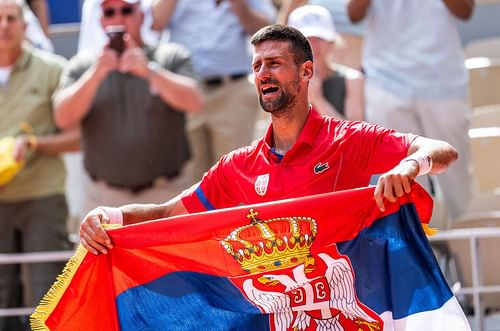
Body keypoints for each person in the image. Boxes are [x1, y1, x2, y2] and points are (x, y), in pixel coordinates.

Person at [78, 24, 459, 257]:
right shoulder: (238, 167)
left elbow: (441, 150)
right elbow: (166, 214)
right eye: (257, 65)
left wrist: (410, 165)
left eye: (275, 63)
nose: (263, 73)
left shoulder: (348, 139)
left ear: (306, 71)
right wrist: (109, 217)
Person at [53, 0, 203, 214]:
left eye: (126, 10)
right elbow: (62, 118)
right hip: (104, 199)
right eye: (109, 12)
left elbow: (195, 101)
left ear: (141, 16)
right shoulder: (83, 66)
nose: (118, 18)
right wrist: (97, 74)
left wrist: (150, 72)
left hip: (168, 195)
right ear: (101, 21)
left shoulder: (168, 56)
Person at [347, 0, 474, 227]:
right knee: (406, 191)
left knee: (457, 188)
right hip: (387, 83)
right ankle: (418, 258)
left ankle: (469, 258)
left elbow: (465, 10)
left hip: (443, 83)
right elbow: (354, 14)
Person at [0, 0, 80, 329]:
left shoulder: (53, 69)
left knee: (47, 296)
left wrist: (33, 144)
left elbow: (78, 137)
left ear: (24, 24)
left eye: (11, 18)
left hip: (43, 198)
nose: (3, 25)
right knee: (2, 302)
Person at [151, 0, 276, 184]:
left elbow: (267, 31)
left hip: (232, 91)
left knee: (235, 178)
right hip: (186, 94)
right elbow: (154, 22)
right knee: (187, 181)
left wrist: (238, 5)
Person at [287, 4, 364, 121]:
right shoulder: (283, 81)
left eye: (320, 38)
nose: (314, 46)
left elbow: (356, 137)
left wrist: (318, 99)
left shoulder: (352, 80)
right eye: (306, 40)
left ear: (331, 41)